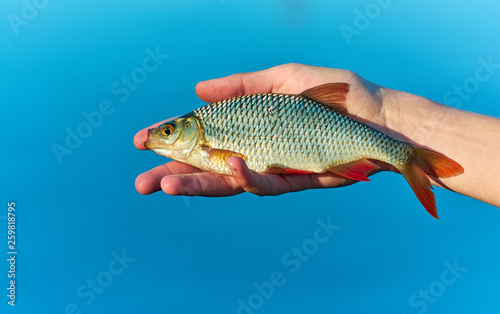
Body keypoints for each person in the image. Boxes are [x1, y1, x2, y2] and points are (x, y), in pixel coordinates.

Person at [133, 63, 500, 207]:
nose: (161, 136)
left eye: (167, 131)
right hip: (323, 142)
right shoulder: (208, 128)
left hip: (325, 135)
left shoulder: (207, 127)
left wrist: (390, 117)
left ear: (190, 130)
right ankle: (404, 156)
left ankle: (406, 157)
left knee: (401, 153)